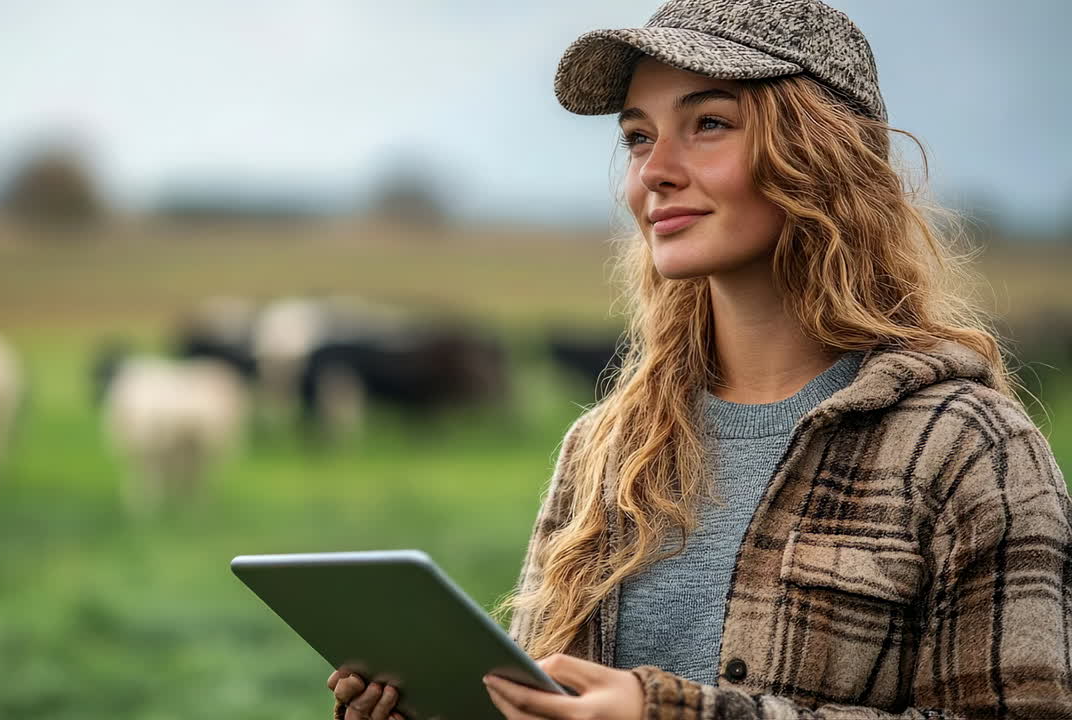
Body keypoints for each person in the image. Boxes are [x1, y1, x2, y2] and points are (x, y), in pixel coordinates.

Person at [328, 0, 1072, 717]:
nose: (653, 172)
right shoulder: (607, 449)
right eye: (639, 137)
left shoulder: (970, 449)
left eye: (708, 124)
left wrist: (675, 714)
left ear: (821, 152)